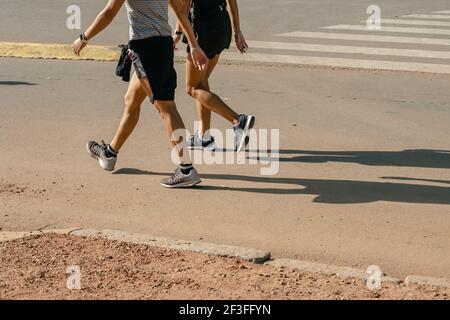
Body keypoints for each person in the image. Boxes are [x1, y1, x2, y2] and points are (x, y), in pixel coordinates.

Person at [72, 0, 208, 188]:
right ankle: (110, 154)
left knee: (167, 108)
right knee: (131, 101)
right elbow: (180, 11)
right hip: (162, 45)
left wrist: (84, 37)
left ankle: (186, 169)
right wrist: (193, 45)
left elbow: (109, 12)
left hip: (146, 49)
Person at [173, 0, 255, 152]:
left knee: (192, 88)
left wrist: (192, 45)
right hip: (222, 25)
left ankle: (238, 120)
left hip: (204, 32)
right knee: (202, 83)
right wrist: (237, 31)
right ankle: (203, 137)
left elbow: (182, 11)